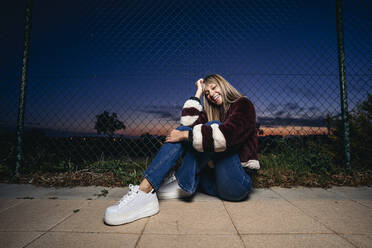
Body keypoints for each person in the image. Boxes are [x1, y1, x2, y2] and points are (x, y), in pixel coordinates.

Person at [104, 74, 260, 226]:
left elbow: (226, 137)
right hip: (212, 184)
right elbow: (187, 123)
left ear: (223, 84)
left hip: (237, 184)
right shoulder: (214, 110)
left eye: (213, 88)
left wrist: (185, 135)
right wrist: (198, 92)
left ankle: (149, 189)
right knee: (190, 130)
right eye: (208, 93)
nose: (211, 94)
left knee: (207, 127)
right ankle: (170, 186)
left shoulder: (243, 104)